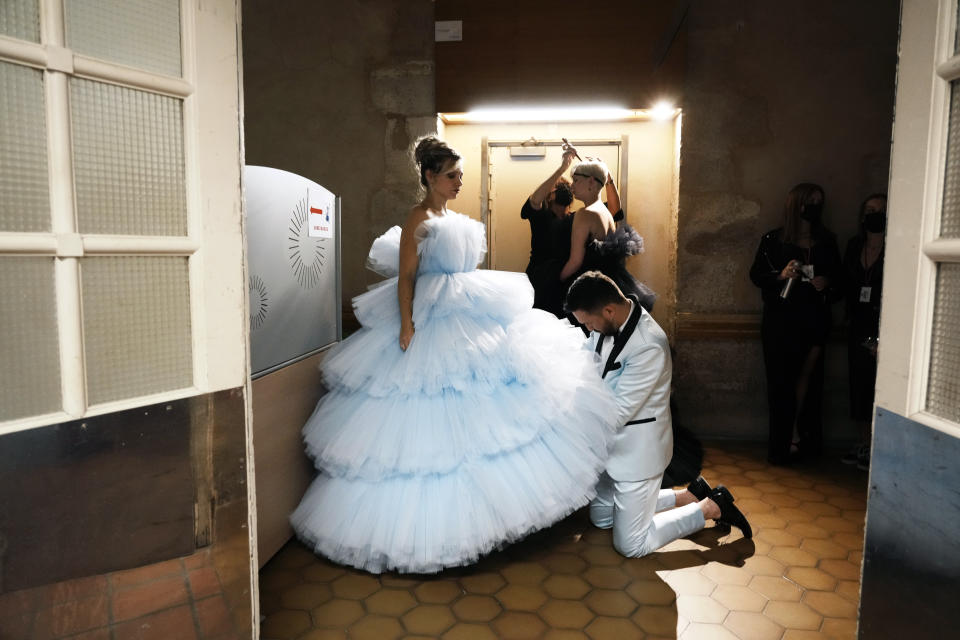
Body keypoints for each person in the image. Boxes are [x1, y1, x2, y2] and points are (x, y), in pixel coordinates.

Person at [290, 136, 620, 574]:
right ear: (429, 176)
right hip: (430, 318)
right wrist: (407, 323)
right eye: (452, 175)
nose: (459, 181)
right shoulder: (418, 218)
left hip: (466, 312)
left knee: (485, 401)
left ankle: (490, 515)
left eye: (461, 174)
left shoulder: (450, 215)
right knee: (423, 410)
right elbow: (406, 276)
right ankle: (426, 532)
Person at [565, 271, 752, 557]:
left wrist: (567, 423)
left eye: (589, 323)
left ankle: (709, 507)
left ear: (609, 310)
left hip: (637, 452)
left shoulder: (649, 345)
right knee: (601, 520)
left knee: (630, 545)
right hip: (607, 447)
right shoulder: (608, 324)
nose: (588, 331)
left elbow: (618, 412)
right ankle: (688, 495)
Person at [749, 183, 843, 465]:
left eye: (819, 202)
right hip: (781, 322)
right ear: (796, 205)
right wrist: (781, 274)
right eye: (809, 202)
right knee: (781, 383)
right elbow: (756, 276)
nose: (814, 208)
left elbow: (841, 282)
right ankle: (783, 443)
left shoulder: (827, 241)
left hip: (814, 319)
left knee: (810, 381)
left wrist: (827, 282)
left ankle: (804, 442)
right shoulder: (773, 240)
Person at [522, 146, 626, 317]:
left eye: (573, 183)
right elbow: (535, 200)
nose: (570, 187)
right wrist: (562, 168)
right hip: (542, 278)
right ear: (549, 195)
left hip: (563, 279)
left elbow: (614, 210)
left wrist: (605, 177)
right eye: (557, 188)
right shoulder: (541, 217)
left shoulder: (578, 217)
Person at [559, 154, 656, 312]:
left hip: (589, 293)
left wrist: (557, 281)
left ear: (591, 181)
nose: (572, 186)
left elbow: (575, 261)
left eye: (576, 181)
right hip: (605, 289)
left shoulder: (585, 214)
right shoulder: (606, 213)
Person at [841, 194, 886, 471]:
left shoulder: (894, 246)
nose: (874, 215)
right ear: (862, 216)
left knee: (876, 387)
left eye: (880, 211)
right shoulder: (854, 245)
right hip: (857, 323)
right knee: (857, 385)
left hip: (882, 323)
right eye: (870, 210)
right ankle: (862, 442)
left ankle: (876, 446)